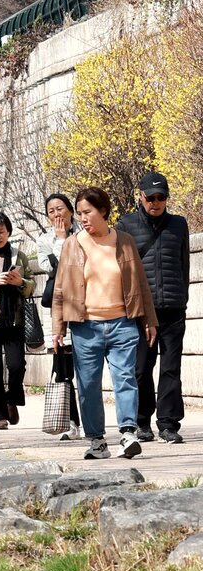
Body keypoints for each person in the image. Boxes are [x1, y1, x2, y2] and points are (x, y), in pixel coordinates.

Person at [50, 186, 157, 460]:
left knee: (125, 379)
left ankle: (128, 433)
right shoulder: (72, 244)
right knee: (88, 385)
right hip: (85, 327)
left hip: (123, 323)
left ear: (104, 211)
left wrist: (149, 321)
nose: (83, 218)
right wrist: (57, 328)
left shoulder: (125, 241)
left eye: (88, 212)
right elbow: (60, 289)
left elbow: (141, 285)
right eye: (80, 213)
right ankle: (97, 441)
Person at [118, 172, 189, 445]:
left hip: (172, 310)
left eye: (161, 198)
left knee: (171, 368)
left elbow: (184, 265)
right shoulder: (126, 225)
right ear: (140, 196)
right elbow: (122, 270)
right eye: (150, 198)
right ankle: (141, 422)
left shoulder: (178, 225)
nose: (156, 203)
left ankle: (169, 424)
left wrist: (181, 298)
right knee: (140, 369)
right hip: (140, 312)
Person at [0, 209, 37, 430]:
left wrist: (19, 282)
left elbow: (31, 286)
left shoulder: (18, 255)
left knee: (16, 364)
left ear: (9, 232)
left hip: (14, 319)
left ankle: (12, 399)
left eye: (2, 231)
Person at [40, 192, 82, 439]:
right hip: (59, 310)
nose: (57, 215)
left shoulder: (85, 233)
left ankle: (90, 419)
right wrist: (60, 239)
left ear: (70, 210)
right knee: (64, 369)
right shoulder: (44, 241)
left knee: (86, 368)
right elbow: (53, 267)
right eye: (51, 211)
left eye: (60, 209)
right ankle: (73, 422)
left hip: (85, 307)